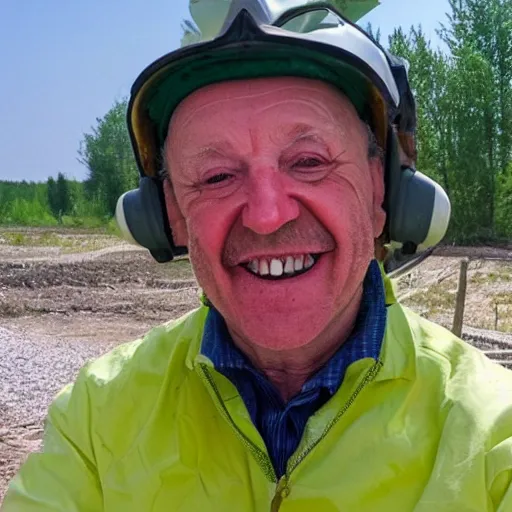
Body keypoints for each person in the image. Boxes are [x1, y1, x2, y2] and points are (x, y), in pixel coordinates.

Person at [3, 1, 512, 510]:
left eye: (309, 161)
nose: (267, 216)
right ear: (169, 218)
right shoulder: (95, 419)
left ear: (384, 195)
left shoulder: (494, 434)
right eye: (217, 177)